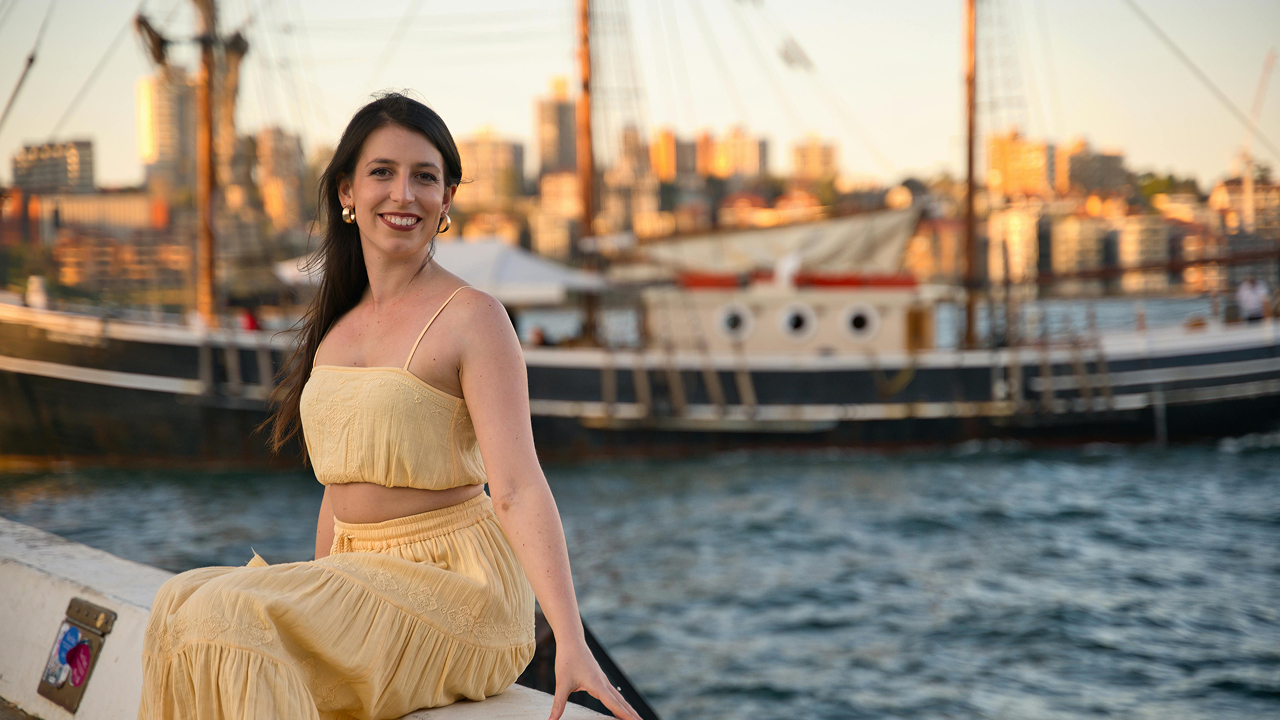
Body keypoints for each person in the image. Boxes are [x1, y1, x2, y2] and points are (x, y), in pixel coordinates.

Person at [139, 94, 639, 720]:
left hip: (460, 591)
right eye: (382, 173)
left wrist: (570, 638)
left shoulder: (474, 318)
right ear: (347, 191)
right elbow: (337, 490)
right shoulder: (336, 328)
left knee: (225, 616)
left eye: (425, 177)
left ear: (446, 200)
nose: (403, 193)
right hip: (360, 577)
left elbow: (515, 486)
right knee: (179, 600)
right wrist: (315, 589)